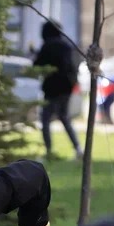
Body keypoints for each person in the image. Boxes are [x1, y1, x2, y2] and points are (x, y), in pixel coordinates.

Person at [31, 20, 82, 160]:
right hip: (67, 88)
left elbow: (37, 64)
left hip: (51, 89)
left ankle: (48, 150)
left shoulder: (47, 46)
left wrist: (33, 55)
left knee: (45, 119)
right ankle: (77, 148)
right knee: (64, 117)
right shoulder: (67, 46)